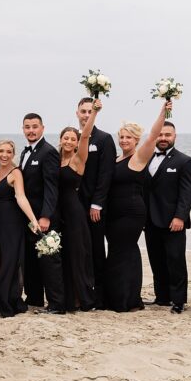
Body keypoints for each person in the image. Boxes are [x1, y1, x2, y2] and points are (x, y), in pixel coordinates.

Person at [103, 101, 170, 312]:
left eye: (128, 137)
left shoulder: (139, 157)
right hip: (113, 213)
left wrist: (163, 112)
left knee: (124, 252)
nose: (124, 140)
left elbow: (153, 134)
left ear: (136, 140)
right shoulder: (114, 159)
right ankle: (122, 297)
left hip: (131, 213)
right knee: (117, 252)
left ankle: (126, 300)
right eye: (121, 137)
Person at [0, 140, 40, 318]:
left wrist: (33, 220)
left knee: (9, 262)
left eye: (8, 152)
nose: (4, 155)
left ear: (13, 154)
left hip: (12, 224)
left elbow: (21, 197)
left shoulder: (16, 173)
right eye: (1, 151)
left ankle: (5, 300)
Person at [143, 120, 191, 314]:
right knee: (156, 260)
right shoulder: (146, 158)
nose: (163, 138)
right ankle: (162, 296)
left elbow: (187, 193)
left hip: (173, 221)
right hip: (149, 220)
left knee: (175, 261)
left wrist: (180, 217)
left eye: (168, 135)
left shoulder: (185, 161)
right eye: (160, 135)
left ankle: (178, 300)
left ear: (175, 137)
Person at [57, 97, 101, 311]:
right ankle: (65, 296)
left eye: (72, 139)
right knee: (62, 254)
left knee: (76, 254)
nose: (69, 141)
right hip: (58, 212)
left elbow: (85, 135)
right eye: (66, 138)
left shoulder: (77, 159)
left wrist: (93, 114)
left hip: (74, 211)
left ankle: (82, 298)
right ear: (61, 139)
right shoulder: (54, 159)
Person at [19, 113, 66, 314]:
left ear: (43, 128)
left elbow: (51, 187)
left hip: (45, 218)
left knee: (49, 261)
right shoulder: (24, 152)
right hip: (29, 218)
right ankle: (35, 298)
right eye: (27, 127)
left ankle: (57, 304)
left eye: (35, 126)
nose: (31, 130)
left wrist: (46, 216)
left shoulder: (48, 152)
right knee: (31, 260)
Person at [75, 97, 116, 311]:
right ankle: (80, 293)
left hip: (94, 208)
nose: (86, 115)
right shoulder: (72, 138)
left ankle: (99, 296)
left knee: (96, 250)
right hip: (74, 205)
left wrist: (97, 204)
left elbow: (106, 175)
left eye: (90, 111)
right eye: (83, 111)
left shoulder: (104, 139)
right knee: (78, 250)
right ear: (77, 113)